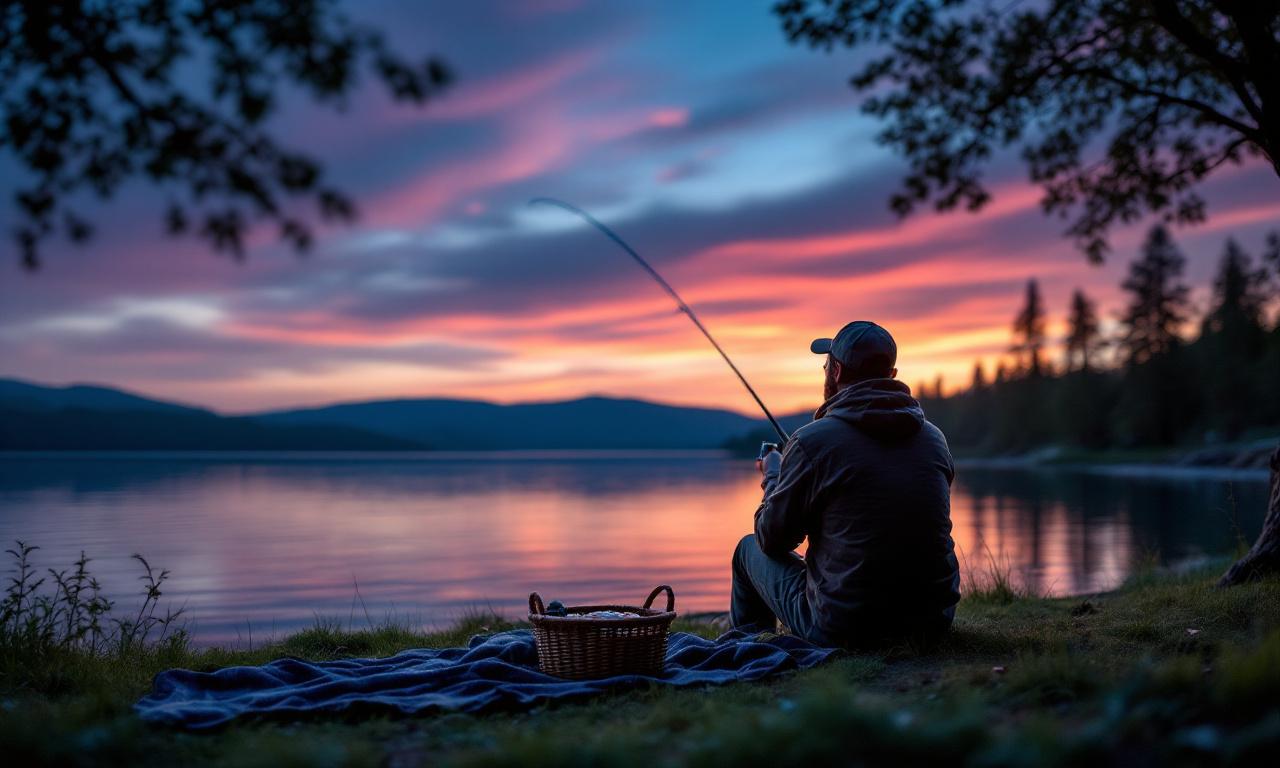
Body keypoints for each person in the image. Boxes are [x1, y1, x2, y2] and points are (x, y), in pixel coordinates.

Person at [730, 320, 960, 648]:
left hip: (844, 626)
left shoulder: (814, 441)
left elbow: (772, 539)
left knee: (747, 549)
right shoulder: (934, 439)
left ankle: (749, 651)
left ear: (835, 371)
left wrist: (773, 475)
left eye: (826, 365)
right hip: (932, 619)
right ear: (891, 375)